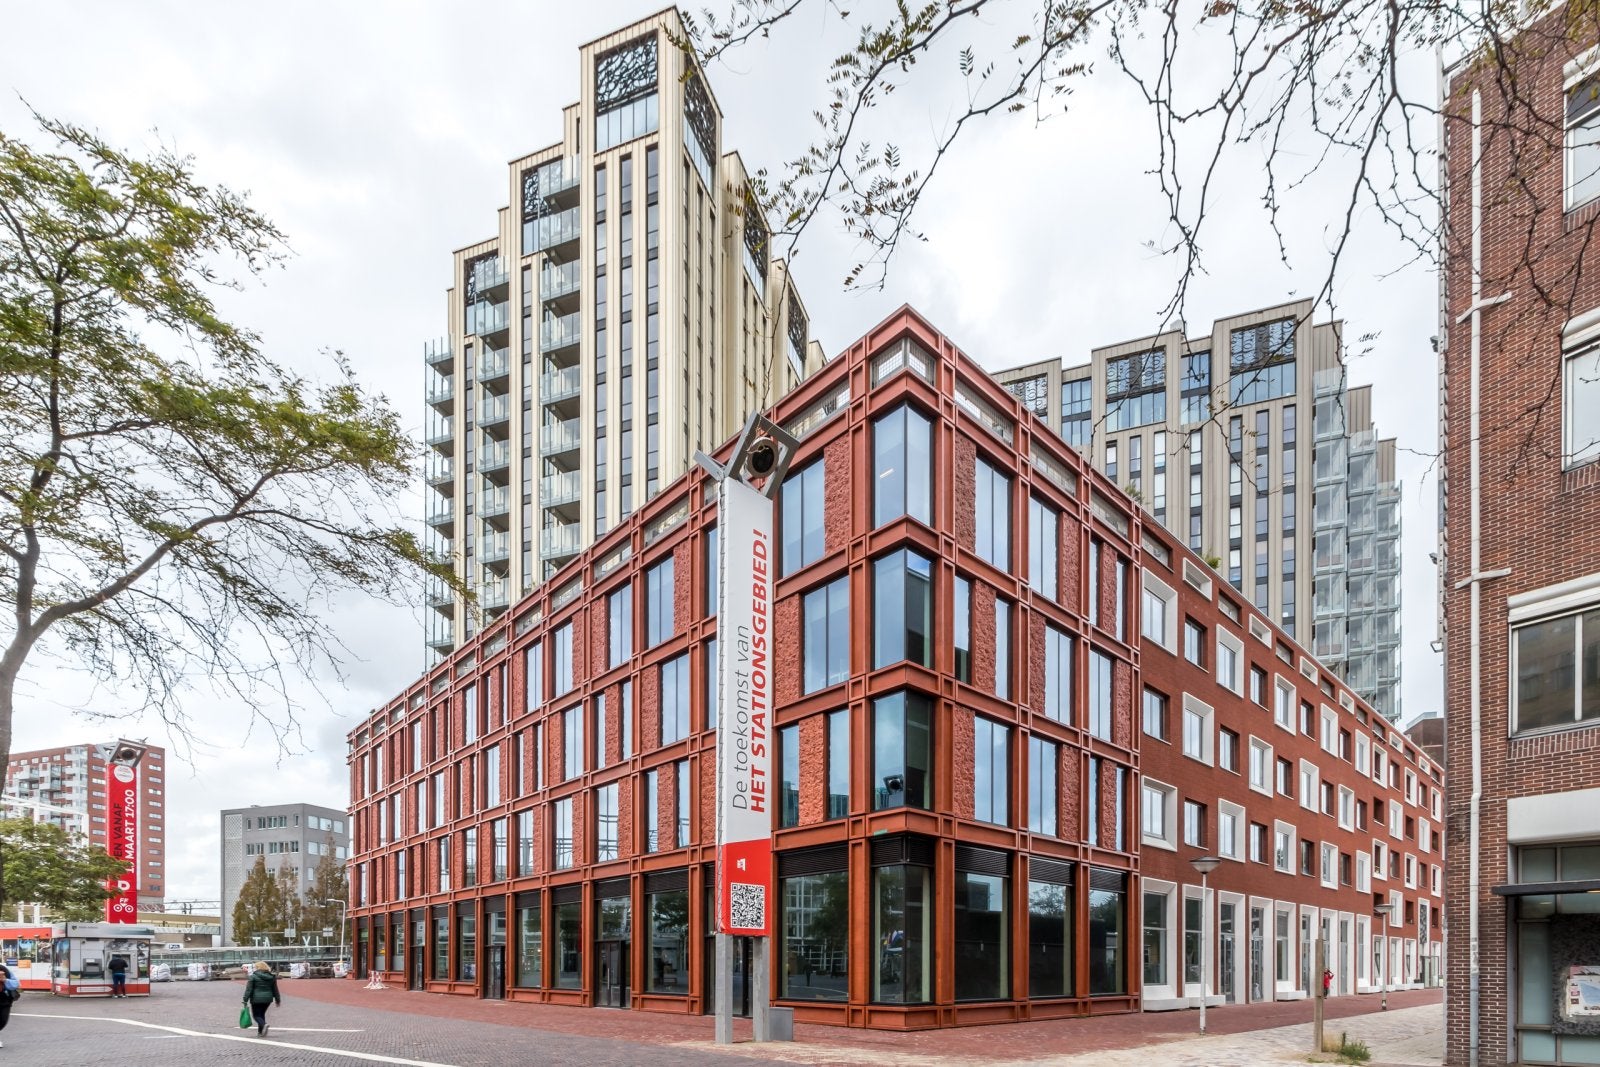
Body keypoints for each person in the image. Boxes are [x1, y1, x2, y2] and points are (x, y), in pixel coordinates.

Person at [242, 961, 281, 1037]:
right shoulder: (271, 977)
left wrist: (245, 1000)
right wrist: (277, 1000)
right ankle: (260, 1032)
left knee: (256, 1015)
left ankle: (264, 1024)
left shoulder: (253, 976)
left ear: (258, 968)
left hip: (256, 999)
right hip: (268, 999)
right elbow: (275, 989)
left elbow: (249, 990)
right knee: (261, 1014)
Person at [0, 961, 15, 1048]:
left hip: (4, 1000)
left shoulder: (4, 970)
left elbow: (15, 984)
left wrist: (5, 980)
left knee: (3, 1020)